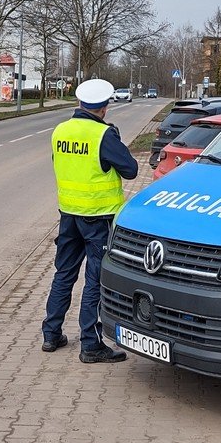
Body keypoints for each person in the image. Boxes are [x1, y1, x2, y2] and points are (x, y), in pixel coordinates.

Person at [43, 78, 138, 363]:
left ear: (79, 103)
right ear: (105, 108)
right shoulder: (103, 135)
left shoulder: (60, 130)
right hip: (98, 218)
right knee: (95, 279)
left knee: (64, 274)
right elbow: (131, 170)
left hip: (68, 214)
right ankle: (91, 344)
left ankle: (51, 334)